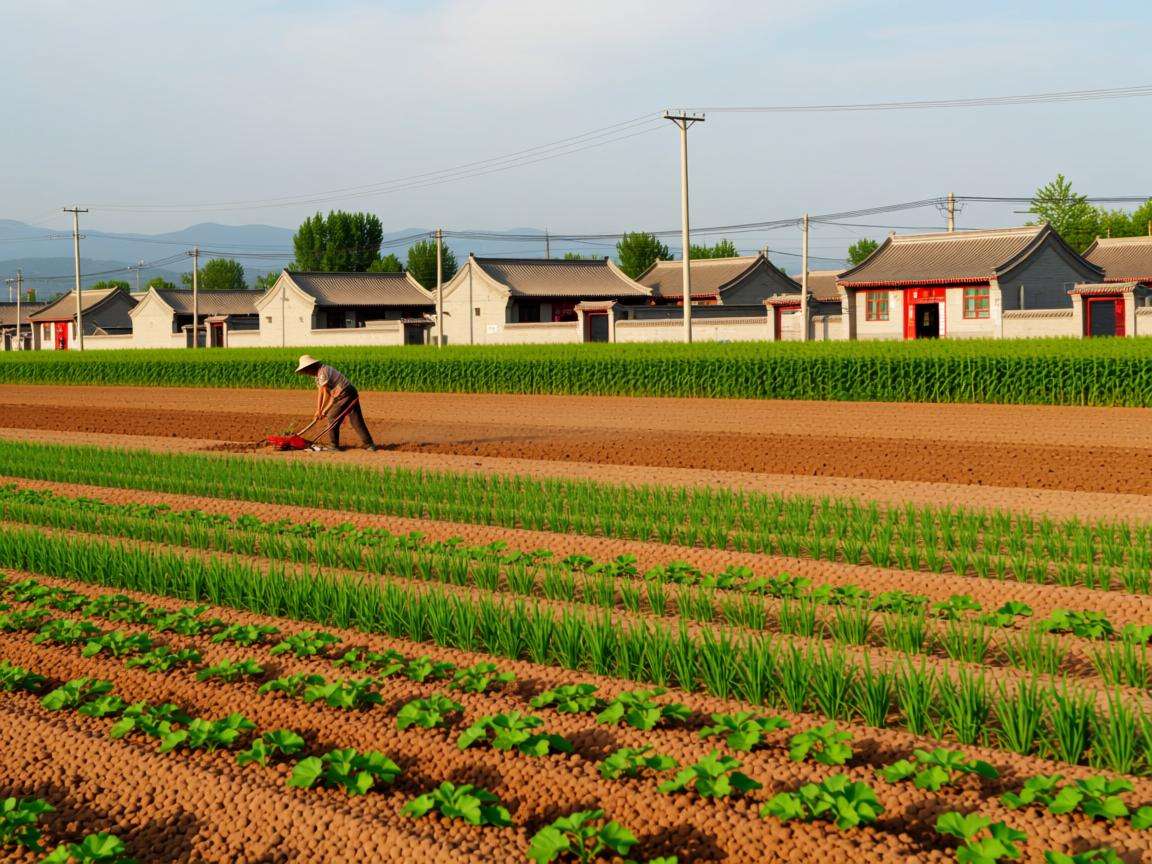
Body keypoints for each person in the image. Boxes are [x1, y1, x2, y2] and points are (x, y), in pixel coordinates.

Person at [295, 355, 377, 451]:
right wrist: (319, 410)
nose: (306, 373)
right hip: (347, 392)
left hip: (345, 393)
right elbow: (321, 392)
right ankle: (369, 444)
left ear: (310, 367)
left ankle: (334, 445)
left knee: (332, 416)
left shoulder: (323, 373)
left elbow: (327, 395)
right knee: (355, 419)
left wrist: (324, 411)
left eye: (306, 370)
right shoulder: (320, 373)